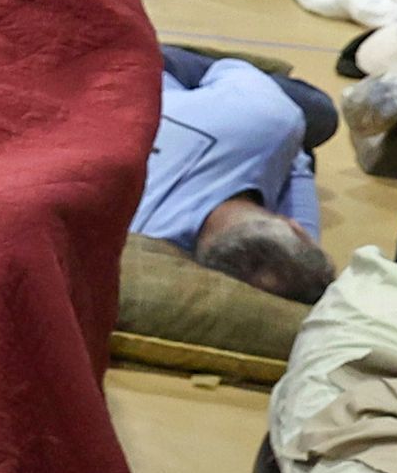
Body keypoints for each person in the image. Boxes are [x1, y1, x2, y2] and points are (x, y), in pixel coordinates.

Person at [136, 53, 336, 303]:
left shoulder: (270, 117)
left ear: (293, 226)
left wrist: (288, 138)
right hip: (134, 98)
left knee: (318, 111)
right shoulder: (145, 235)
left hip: (152, 72)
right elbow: (298, 163)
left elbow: (228, 68)